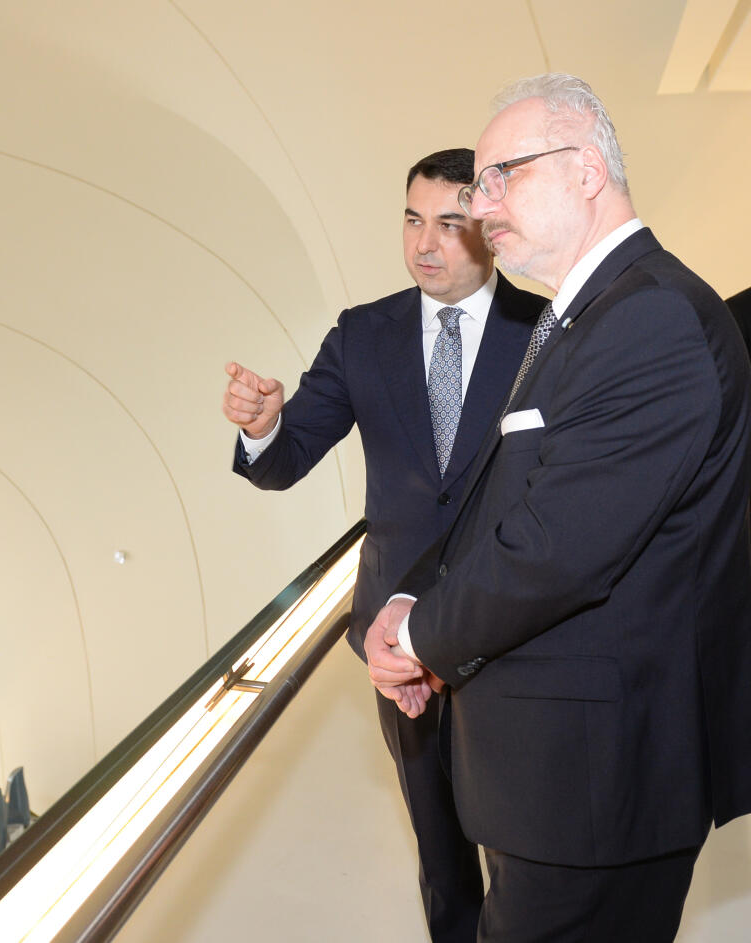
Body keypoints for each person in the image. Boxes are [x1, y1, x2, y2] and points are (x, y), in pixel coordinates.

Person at [365, 73, 751, 942]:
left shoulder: (650, 317)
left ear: (586, 169)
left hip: (597, 789)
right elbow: (505, 495)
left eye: (502, 176)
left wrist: (420, 636)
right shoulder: (586, 317)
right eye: (479, 186)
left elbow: (555, 546)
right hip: (558, 782)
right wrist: (412, 594)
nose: (480, 206)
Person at [223, 148, 545, 942]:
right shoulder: (362, 334)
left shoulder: (546, 332)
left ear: (491, 227)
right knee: (440, 852)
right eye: (411, 220)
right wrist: (264, 427)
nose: (424, 244)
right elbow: (289, 456)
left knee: (525, 848)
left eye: (449, 224)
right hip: (395, 645)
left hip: (511, 630)